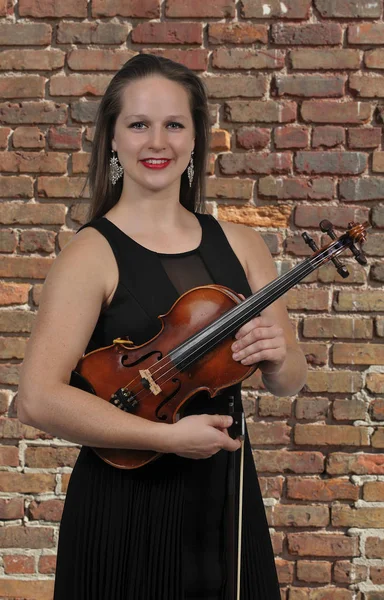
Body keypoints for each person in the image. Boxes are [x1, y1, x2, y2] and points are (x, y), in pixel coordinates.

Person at [17, 53, 308, 600]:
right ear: (113, 139)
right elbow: (37, 399)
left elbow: (289, 380)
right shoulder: (91, 254)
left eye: (174, 124)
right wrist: (166, 439)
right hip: (124, 503)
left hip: (224, 494)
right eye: (139, 124)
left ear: (196, 138)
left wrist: (279, 354)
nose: (158, 142)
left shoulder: (243, 245)